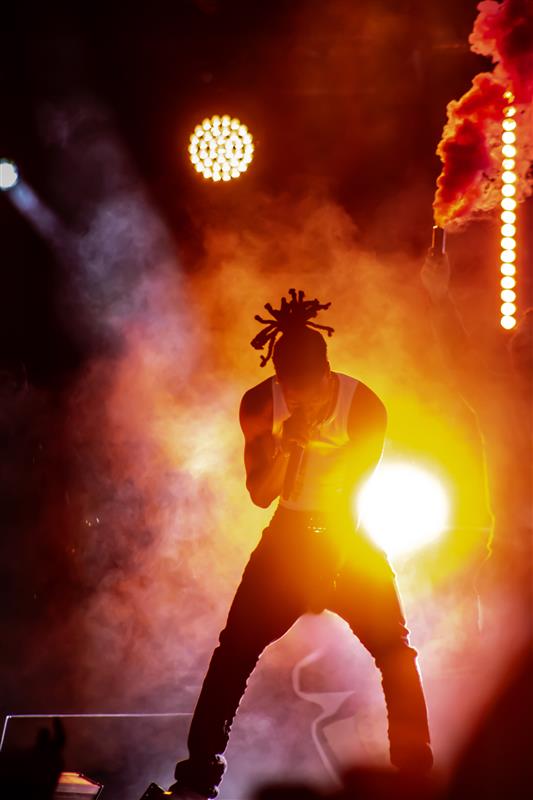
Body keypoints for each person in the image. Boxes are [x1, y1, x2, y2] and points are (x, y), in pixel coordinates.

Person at [169, 290, 432, 799]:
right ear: (279, 379)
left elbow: (353, 498)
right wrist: (287, 446)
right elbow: (260, 495)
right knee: (234, 651)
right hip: (288, 531)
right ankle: (198, 775)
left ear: (328, 374)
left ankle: (414, 772)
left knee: (394, 649)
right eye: (291, 390)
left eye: (309, 390)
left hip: (346, 531)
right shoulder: (260, 403)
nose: (301, 401)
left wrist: (327, 571)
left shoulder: (364, 406)